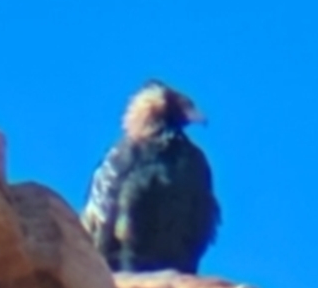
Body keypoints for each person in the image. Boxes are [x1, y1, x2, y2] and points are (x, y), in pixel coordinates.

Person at [82, 81, 219, 273]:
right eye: (185, 107)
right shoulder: (122, 156)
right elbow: (102, 234)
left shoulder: (196, 163)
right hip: (118, 274)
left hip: (175, 277)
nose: (196, 116)